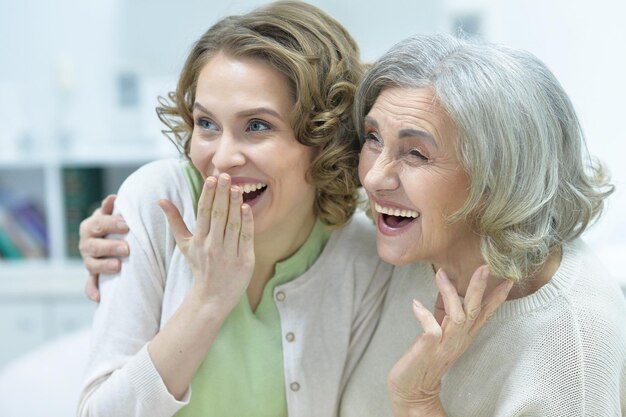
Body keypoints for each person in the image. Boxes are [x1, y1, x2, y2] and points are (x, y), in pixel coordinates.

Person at [77, 2, 394, 416]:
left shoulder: (360, 254)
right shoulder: (156, 201)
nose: (223, 158)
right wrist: (209, 297)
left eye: (257, 126)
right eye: (207, 124)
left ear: (325, 138)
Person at [338, 34, 626, 416]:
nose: (373, 178)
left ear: (500, 178)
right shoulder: (408, 244)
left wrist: (418, 403)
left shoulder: (573, 350)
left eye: (416, 153)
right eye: (373, 138)